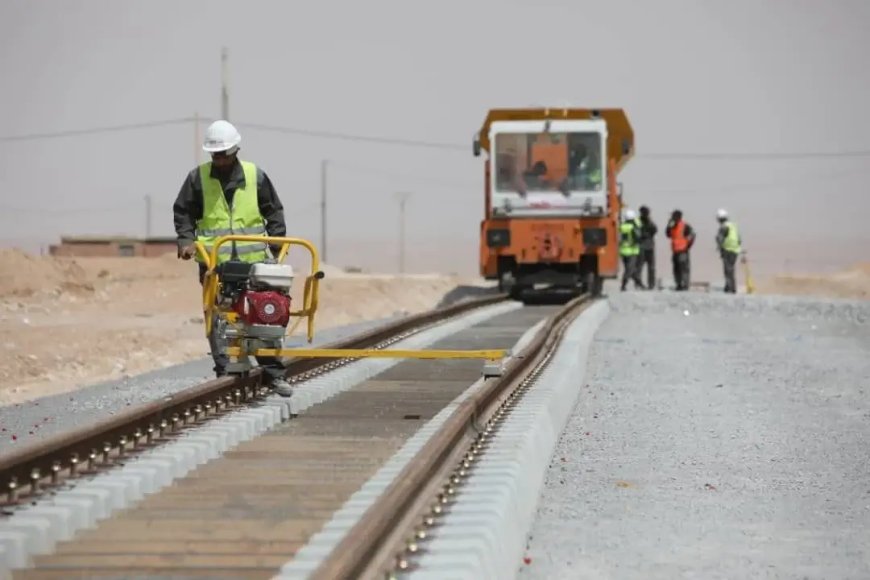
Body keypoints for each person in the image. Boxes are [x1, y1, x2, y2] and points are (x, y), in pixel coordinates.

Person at [172, 119, 294, 396]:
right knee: (220, 318)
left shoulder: (255, 176)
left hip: (254, 263)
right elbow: (183, 212)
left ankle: (273, 373)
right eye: (215, 154)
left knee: (263, 316)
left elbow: (273, 210)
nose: (219, 159)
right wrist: (186, 241)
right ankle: (226, 372)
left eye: (224, 154)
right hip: (216, 263)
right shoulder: (197, 178)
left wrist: (276, 243)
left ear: (236, 150)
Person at [665, 209, 695, 290]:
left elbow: (692, 235)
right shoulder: (672, 226)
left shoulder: (685, 225)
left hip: (683, 251)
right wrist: (669, 225)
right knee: (676, 269)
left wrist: (688, 246)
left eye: (673, 216)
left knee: (684, 269)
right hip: (675, 251)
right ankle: (678, 284)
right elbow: (667, 234)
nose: (672, 218)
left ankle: (685, 285)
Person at [715, 208, 742, 293]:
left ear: (719, 219)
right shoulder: (733, 225)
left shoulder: (723, 227)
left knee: (728, 269)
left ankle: (730, 288)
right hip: (735, 250)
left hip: (727, 249)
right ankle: (730, 286)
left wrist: (719, 247)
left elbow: (720, 239)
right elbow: (739, 239)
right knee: (731, 269)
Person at [619, 208, 645, 291]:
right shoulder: (633, 227)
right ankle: (623, 285)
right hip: (632, 250)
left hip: (623, 251)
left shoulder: (622, 226)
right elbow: (638, 236)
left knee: (631, 269)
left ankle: (639, 283)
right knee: (630, 269)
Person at [637, 205, 657, 289]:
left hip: (649, 246)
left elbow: (655, 230)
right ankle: (639, 283)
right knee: (640, 266)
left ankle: (651, 284)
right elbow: (636, 232)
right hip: (642, 246)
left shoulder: (650, 221)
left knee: (651, 267)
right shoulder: (638, 221)